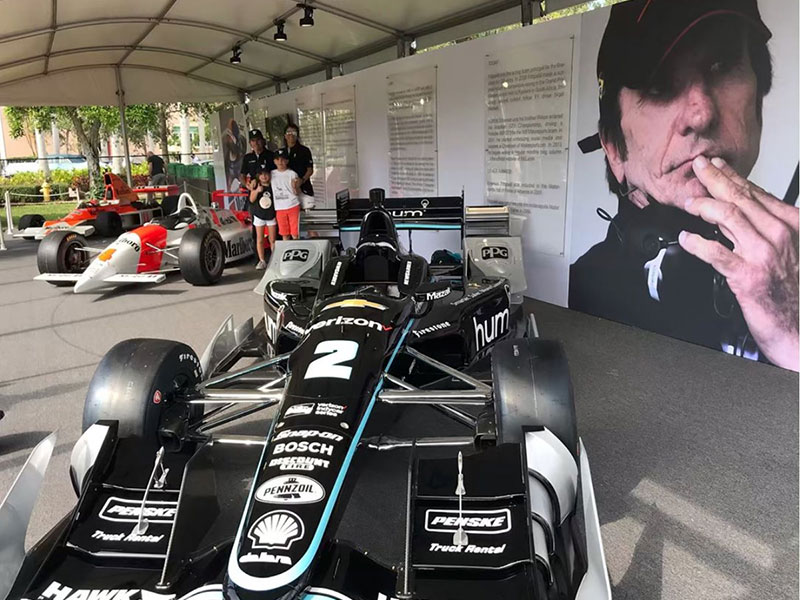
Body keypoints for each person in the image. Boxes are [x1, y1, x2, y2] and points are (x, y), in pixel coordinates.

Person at [570, 0, 799, 371]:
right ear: (614, 149)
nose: (701, 113)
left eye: (722, 65)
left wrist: (792, 336)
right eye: (659, 86)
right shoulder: (581, 288)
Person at [247, 166, 277, 270]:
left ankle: (274, 259)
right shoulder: (255, 186)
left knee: (272, 239)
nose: (264, 176)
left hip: (271, 215)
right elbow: (251, 199)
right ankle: (262, 260)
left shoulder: (273, 186)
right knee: (259, 239)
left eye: (266, 174)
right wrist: (257, 191)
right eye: (261, 174)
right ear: (258, 176)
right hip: (259, 215)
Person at [271, 148, 301, 240]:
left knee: (295, 234)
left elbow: (297, 191)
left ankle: (296, 250)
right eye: (278, 159)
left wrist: (295, 186)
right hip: (279, 208)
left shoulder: (292, 174)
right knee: (284, 234)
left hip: (292, 205)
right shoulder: (271, 173)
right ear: (274, 161)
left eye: (283, 159)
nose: (280, 161)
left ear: (287, 161)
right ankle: (287, 250)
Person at [284, 124, 315, 210]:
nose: (291, 134)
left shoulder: (304, 150)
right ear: (285, 135)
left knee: (306, 218)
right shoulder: (281, 152)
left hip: (304, 189)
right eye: (288, 132)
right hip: (288, 191)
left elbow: (310, 170)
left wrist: (302, 180)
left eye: (294, 132)